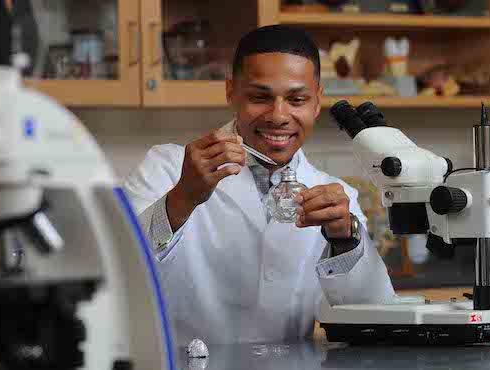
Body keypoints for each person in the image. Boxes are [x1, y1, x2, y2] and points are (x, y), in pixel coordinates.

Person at [123, 25, 394, 345]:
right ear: (231, 92)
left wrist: (345, 242)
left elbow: (375, 317)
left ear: (317, 102)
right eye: (259, 97)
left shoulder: (336, 194)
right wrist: (182, 198)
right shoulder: (167, 168)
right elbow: (121, 271)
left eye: (296, 99)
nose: (279, 116)